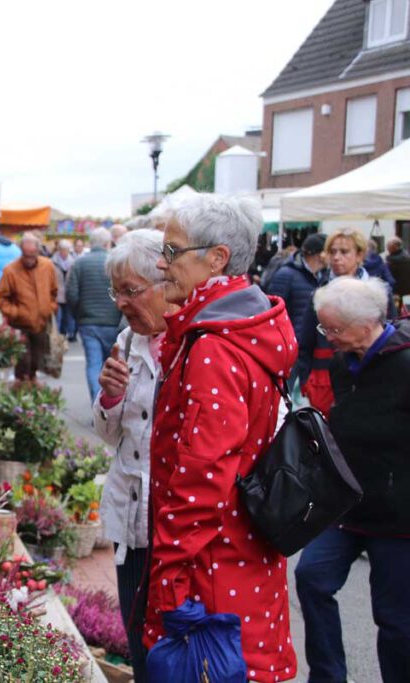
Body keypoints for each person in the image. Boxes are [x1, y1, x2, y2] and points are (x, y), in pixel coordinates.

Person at [145, 193, 298, 682]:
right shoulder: (243, 328)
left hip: (211, 561)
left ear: (217, 259)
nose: (160, 263)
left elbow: (201, 474)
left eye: (171, 251)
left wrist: (168, 575)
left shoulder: (213, 346)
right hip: (243, 552)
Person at [295, 276, 410, 683]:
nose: (328, 337)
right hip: (345, 501)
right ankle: (328, 676)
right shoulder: (344, 361)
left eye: (334, 330)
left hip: (398, 514)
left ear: (367, 324)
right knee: (311, 578)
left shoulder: (404, 362)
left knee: (395, 619)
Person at [93, 229, 177, 683]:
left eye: (131, 290)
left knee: (171, 641)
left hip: (177, 521)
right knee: (137, 633)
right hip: (133, 518)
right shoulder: (127, 341)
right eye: (117, 291)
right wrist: (108, 397)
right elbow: (111, 434)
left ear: (164, 283)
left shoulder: (195, 343)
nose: (121, 302)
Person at [297, 228, 390, 416]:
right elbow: (305, 340)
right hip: (324, 379)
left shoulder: (376, 291)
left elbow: (388, 331)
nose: (337, 257)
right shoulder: (320, 291)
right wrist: (306, 378)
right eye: (332, 252)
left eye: (344, 252)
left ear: (359, 255)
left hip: (370, 375)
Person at [66, 227, 122, 402]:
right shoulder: (114, 263)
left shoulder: (79, 263)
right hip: (113, 322)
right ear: (108, 243)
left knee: (93, 364)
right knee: (111, 364)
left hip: (88, 322)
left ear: (90, 243)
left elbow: (71, 294)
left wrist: (79, 315)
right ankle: (108, 406)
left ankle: (97, 405)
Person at [0, 232, 58, 381]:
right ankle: (22, 389)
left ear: (38, 251)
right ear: (21, 251)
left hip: (42, 323)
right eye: (26, 255)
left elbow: (54, 291)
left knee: (37, 361)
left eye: (32, 254)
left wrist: (50, 307)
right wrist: (16, 313)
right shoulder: (10, 270)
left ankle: (32, 391)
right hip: (20, 324)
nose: (29, 259)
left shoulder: (47, 266)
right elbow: (0, 299)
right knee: (23, 362)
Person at [265, 232, 326, 386]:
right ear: (319, 254)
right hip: (289, 348)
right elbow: (272, 311)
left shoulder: (321, 276)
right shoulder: (286, 274)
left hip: (310, 348)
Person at [51, 239, 78, 342]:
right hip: (57, 294)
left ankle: (69, 334)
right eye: (62, 249)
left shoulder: (74, 262)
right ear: (59, 250)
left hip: (69, 294)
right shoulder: (52, 262)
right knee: (58, 316)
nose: (64, 252)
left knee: (69, 316)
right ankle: (58, 335)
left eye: (66, 250)